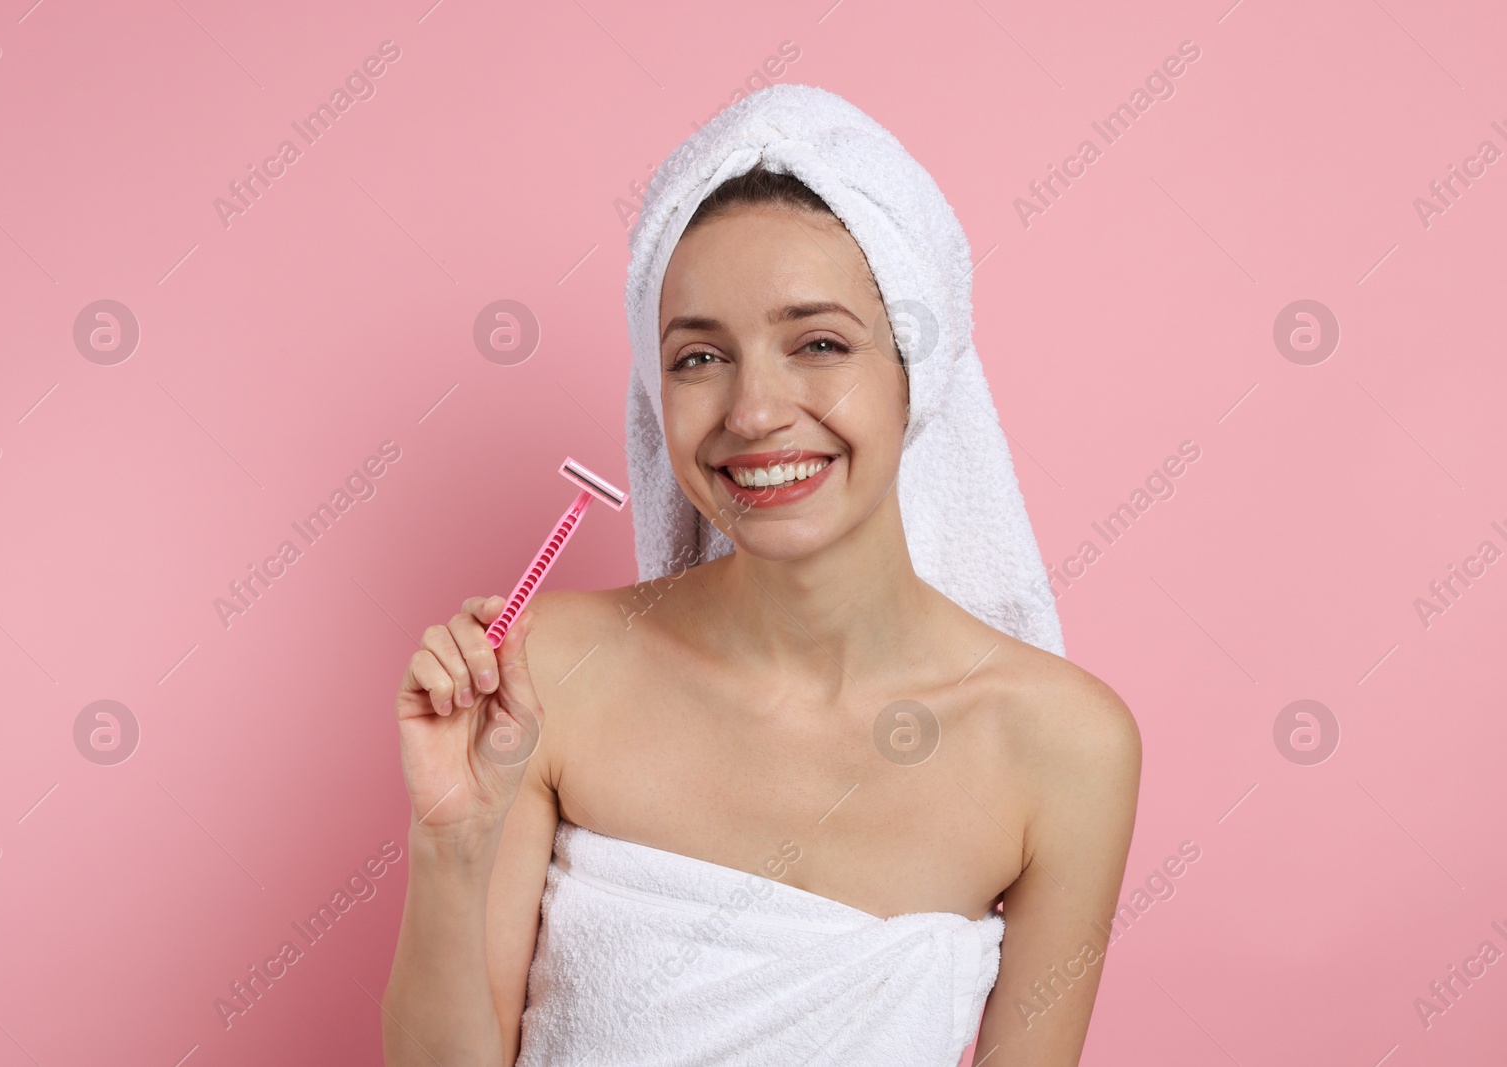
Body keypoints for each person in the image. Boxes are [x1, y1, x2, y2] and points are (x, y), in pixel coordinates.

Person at [382, 85, 1140, 1067]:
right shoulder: (546, 669)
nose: (753, 410)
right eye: (699, 357)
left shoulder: (1066, 746)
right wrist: (449, 840)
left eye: (819, 343)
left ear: (919, 365)